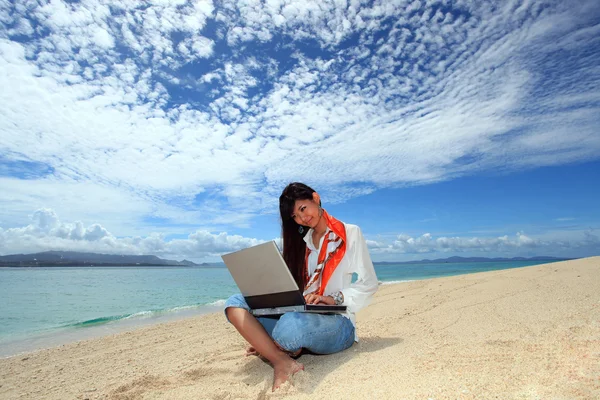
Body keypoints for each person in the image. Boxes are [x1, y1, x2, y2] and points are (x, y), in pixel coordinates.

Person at [224, 182, 378, 390]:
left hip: (338, 323)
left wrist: (334, 298)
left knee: (290, 326)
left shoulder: (349, 233)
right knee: (235, 302)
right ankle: (281, 358)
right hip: (302, 314)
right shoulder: (302, 242)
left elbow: (369, 283)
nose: (302, 218)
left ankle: (274, 345)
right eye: (295, 216)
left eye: (303, 209)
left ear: (315, 198)